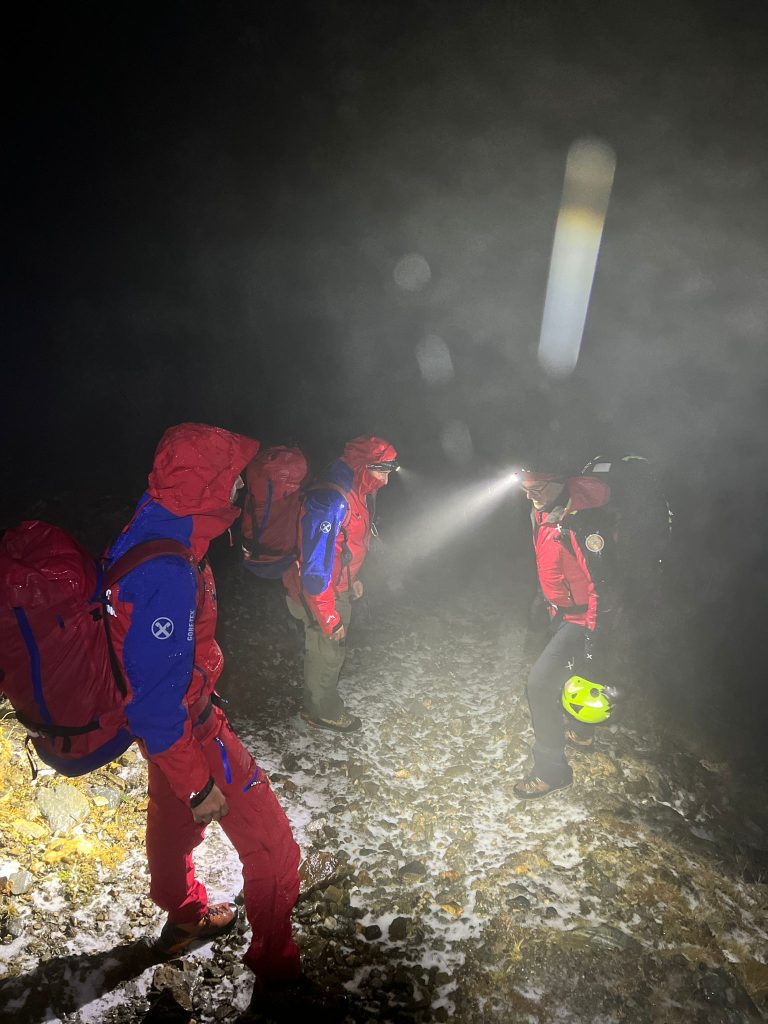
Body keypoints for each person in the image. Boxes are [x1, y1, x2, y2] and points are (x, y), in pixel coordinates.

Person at [103, 423, 301, 990]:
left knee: (169, 826)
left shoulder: (153, 521)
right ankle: (276, 966)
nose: (244, 490)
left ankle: (185, 915)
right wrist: (198, 783)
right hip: (188, 731)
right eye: (235, 480)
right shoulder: (167, 573)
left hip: (166, 730)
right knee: (273, 847)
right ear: (210, 488)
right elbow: (158, 711)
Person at [514, 464, 619, 799]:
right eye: (525, 488)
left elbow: (603, 587)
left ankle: (551, 771)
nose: (531, 495)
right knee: (573, 674)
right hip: (563, 614)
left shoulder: (583, 521)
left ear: (561, 484)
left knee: (540, 684)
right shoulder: (544, 514)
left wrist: (593, 638)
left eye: (539, 487)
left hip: (586, 618)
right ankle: (581, 733)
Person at [283, 435, 399, 733]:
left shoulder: (356, 488)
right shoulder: (331, 498)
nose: (386, 481)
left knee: (324, 649)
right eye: (382, 471)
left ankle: (315, 702)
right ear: (364, 465)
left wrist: (353, 580)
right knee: (328, 649)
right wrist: (328, 615)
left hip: (337, 586)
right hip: (319, 593)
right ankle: (323, 711)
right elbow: (315, 565)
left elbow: (346, 545)